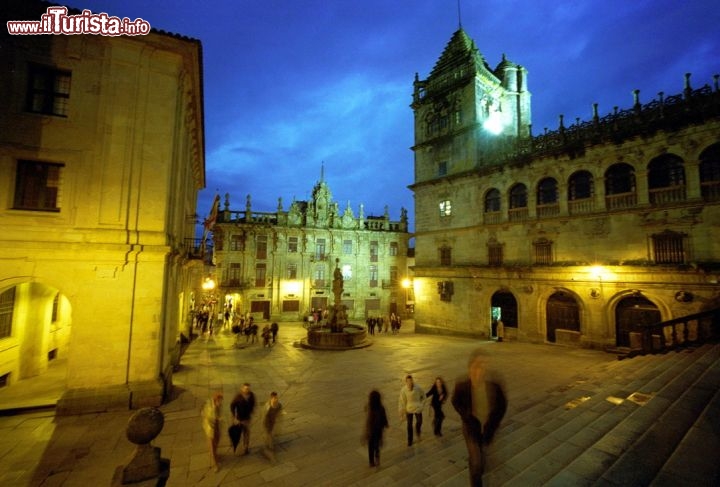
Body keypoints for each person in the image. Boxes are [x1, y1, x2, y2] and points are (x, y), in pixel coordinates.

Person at [452, 348, 507, 487]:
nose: (480, 370)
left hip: (487, 429)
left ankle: (479, 464)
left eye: (484, 365)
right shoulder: (462, 386)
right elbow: (455, 401)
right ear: (470, 367)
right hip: (471, 428)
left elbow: (502, 405)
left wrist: (494, 423)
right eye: (477, 365)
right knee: (476, 461)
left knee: (481, 455)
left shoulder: (494, 386)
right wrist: (466, 415)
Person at [363, 390, 389, 467]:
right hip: (378, 430)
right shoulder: (380, 407)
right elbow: (384, 417)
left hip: (371, 430)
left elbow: (367, 419)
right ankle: (376, 458)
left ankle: (371, 461)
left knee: (371, 446)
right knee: (376, 445)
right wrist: (386, 424)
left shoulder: (370, 407)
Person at [398, 374, 425, 446]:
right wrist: (402, 410)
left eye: (410, 381)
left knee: (419, 421)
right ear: (406, 382)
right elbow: (402, 401)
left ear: (412, 381)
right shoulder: (403, 390)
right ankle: (410, 440)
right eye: (408, 381)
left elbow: (424, 396)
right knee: (409, 424)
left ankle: (418, 431)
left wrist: (421, 405)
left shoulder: (418, 388)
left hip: (417, 408)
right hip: (408, 409)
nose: (409, 383)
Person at [230, 383, 257, 455]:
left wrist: (251, 411)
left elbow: (253, 403)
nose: (247, 390)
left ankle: (246, 448)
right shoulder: (238, 396)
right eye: (245, 388)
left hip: (247, 419)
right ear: (242, 389)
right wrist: (234, 415)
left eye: (248, 388)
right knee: (237, 434)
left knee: (247, 434)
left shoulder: (251, 395)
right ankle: (236, 448)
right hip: (239, 419)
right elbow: (232, 405)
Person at [201, 392, 223, 472]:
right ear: (216, 399)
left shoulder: (218, 405)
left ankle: (215, 454)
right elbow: (210, 417)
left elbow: (218, 415)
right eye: (220, 401)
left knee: (217, 442)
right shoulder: (210, 407)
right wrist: (218, 418)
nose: (220, 403)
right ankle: (215, 464)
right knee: (212, 446)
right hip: (210, 428)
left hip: (216, 427)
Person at [262, 391, 283, 461]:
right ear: (271, 398)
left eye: (277, 398)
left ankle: (268, 446)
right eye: (274, 398)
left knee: (270, 435)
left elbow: (280, 412)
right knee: (269, 434)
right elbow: (264, 415)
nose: (276, 399)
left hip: (274, 422)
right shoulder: (268, 406)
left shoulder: (279, 405)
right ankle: (270, 449)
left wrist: (279, 417)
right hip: (267, 422)